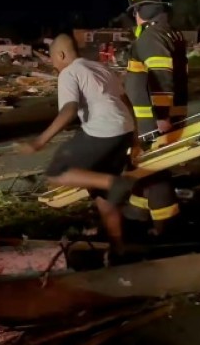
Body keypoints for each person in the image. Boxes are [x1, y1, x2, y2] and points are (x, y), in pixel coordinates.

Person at [18, 34, 137, 257]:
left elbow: (69, 111)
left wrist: (39, 142)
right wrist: (135, 133)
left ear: (61, 55)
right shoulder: (100, 67)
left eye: (53, 59)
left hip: (104, 131)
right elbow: (125, 99)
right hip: (124, 131)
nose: (53, 65)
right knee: (102, 197)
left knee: (56, 171)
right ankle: (118, 249)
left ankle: (117, 183)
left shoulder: (69, 73)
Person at [123, 0, 189, 234]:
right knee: (143, 165)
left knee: (154, 168)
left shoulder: (151, 37)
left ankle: (166, 225)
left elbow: (161, 77)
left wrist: (161, 118)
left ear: (140, 11)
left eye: (135, 12)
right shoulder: (171, 33)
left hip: (151, 119)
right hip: (164, 115)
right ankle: (137, 212)